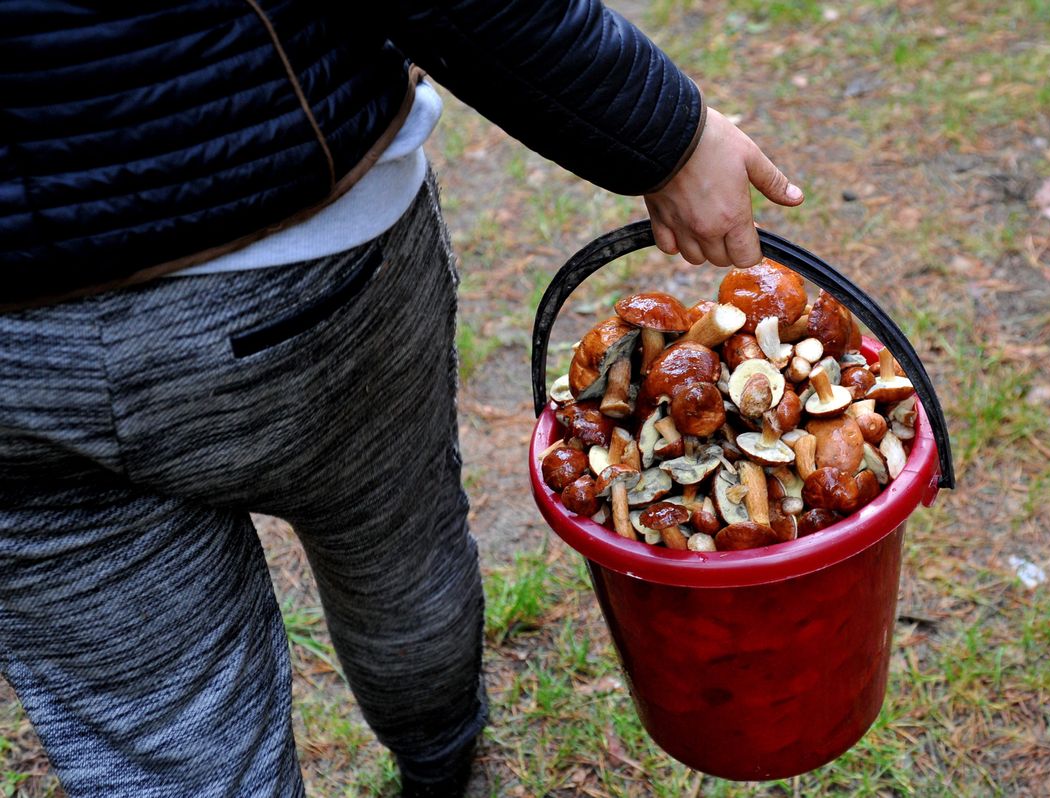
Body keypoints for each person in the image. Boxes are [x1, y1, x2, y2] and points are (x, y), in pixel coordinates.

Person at [0, 2, 803, 796]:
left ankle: (432, 761)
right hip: (294, 271)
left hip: (19, 367)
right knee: (395, 554)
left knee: (158, 726)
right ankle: (442, 762)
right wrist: (670, 137)